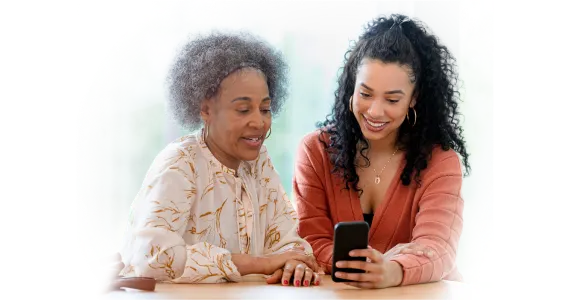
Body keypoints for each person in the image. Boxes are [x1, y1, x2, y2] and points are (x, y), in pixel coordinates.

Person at [116, 27, 321, 287]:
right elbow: (152, 258)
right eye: (243, 109)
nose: (259, 121)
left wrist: (295, 263)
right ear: (205, 109)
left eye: (265, 108)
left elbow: (288, 239)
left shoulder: (259, 162)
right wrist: (261, 263)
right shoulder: (180, 163)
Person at [293, 13, 472, 289]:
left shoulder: (441, 162)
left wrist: (394, 271)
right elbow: (311, 242)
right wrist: (370, 267)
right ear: (351, 87)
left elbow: (437, 249)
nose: (375, 111)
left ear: (414, 98)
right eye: (365, 94)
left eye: (392, 99)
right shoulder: (315, 151)